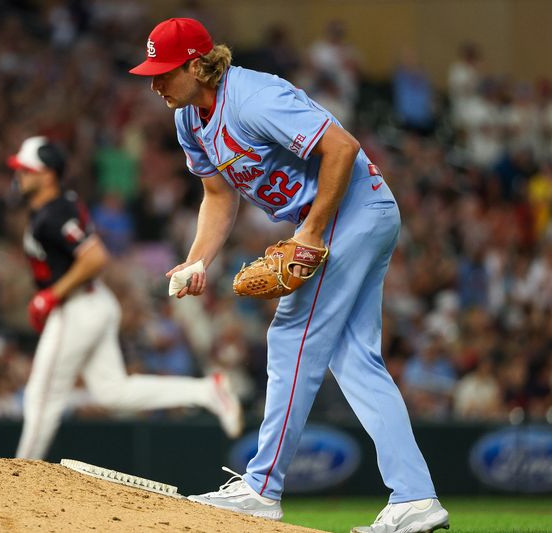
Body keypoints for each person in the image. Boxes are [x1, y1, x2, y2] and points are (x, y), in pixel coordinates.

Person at [129, 18, 449, 533]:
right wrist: (197, 259)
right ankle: (414, 497)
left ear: (196, 65)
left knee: (290, 338)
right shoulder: (189, 117)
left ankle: (262, 487)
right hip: (351, 215)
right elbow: (217, 195)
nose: (154, 83)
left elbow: (341, 148)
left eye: (164, 72)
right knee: (353, 358)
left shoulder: (254, 98)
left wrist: (312, 232)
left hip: (352, 211)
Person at [7, 135, 243, 460]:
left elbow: (94, 257)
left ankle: (22, 476)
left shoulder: (54, 212)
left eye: (26, 169)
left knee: (41, 395)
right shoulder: (54, 206)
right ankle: (205, 391)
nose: (19, 175)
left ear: (47, 174)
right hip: (91, 303)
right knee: (112, 392)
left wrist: (50, 296)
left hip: (77, 306)